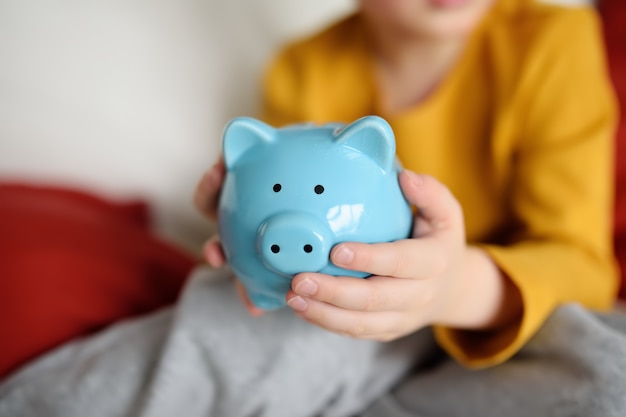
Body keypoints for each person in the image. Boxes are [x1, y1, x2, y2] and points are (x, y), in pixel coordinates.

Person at [2, 0, 626, 416]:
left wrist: (451, 288)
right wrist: (238, 232)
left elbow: (586, 269)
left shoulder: (553, 41)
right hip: (333, 309)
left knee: (608, 376)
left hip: (511, 316)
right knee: (228, 329)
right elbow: (273, 225)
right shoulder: (305, 69)